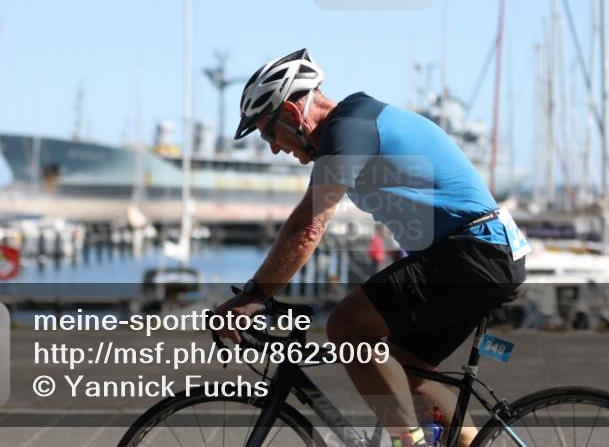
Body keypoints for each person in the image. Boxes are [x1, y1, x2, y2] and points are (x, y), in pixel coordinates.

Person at [214, 48, 529, 447]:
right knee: (406, 372)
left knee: (347, 327)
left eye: (266, 132)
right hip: (483, 253)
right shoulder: (355, 125)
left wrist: (255, 295)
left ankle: (406, 443)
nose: (274, 148)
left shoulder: (350, 129)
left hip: (475, 251)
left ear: (293, 115)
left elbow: (309, 224)